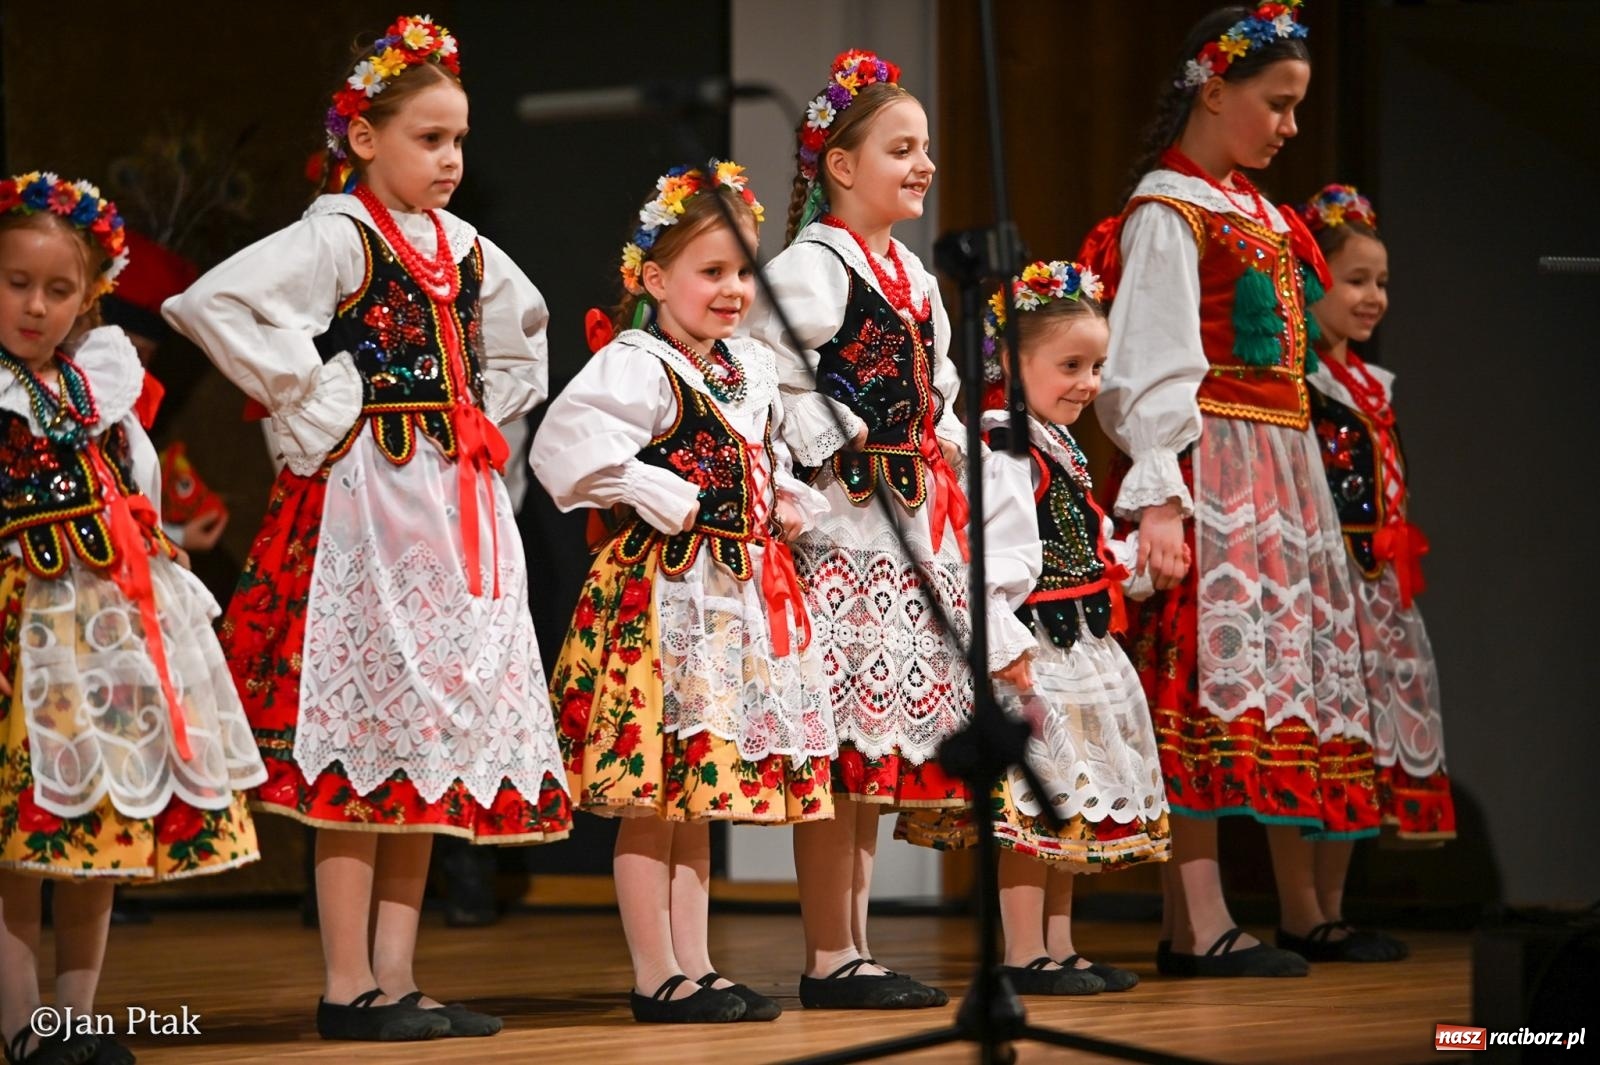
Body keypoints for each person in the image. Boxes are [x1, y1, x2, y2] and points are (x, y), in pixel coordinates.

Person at [164, 15, 569, 1041]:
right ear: (365, 139)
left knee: (423, 740)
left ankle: (397, 975)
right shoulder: (340, 234)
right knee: (364, 744)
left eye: (459, 140)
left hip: (450, 513)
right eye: (429, 138)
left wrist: (480, 410)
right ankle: (348, 982)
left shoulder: (466, 248)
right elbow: (217, 304)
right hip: (367, 514)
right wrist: (321, 395)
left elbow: (525, 335)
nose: (449, 159)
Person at [1078, 0, 1378, 977]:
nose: (1290, 124)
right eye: (1276, 103)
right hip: (1214, 467)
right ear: (1214, 90)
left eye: (1298, 107)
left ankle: (1236, 916)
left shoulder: (1257, 210)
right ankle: (1196, 918)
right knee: (1196, 686)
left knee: (1254, 684)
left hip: (1277, 471)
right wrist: (1159, 497)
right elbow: (1146, 367)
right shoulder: (1172, 209)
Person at [535, 161, 834, 1023]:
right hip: (660, 597)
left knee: (698, 791)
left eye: (743, 271)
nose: (734, 289)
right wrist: (647, 487)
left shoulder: (745, 365)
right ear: (655, 279)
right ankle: (654, 970)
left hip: (731, 592)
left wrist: (779, 493)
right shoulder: (637, 363)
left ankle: (697, 964)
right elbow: (561, 450)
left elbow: (756, 451)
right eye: (712, 272)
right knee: (651, 796)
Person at [0, 171, 265, 1065]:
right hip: (19, 629)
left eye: (58, 289)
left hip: (104, 627)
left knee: (101, 819)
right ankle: (22, 1022)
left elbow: (133, 481)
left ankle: (76, 1015)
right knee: (18, 833)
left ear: (87, 298)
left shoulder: (100, 384)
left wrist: (155, 543)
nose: (36, 306)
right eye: (16, 284)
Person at [744, 48, 966, 1009]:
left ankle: (854, 946)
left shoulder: (911, 275)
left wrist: (948, 444)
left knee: (869, 753)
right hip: (840, 534)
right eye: (900, 148)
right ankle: (831, 952)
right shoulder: (814, 266)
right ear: (839, 164)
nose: (922, 165)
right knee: (838, 752)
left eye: (926, 149)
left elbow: (938, 391)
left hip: (904, 532)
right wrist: (835, 435)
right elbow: (763, 374)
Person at [899, 262, 1173, 995]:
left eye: (1098, 367)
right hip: (1032, 650)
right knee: (1034, 805)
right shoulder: (1003, 445)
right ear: (1012, 365)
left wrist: (1128, 561)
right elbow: (984, 560)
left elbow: (1074, 539)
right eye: (1071, 365)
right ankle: (1025, 951)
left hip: (1076, 642)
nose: (1089, 382)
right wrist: (1002, 641)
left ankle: (1060, 943)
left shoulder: (1053, 442)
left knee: (1070, 800)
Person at [1293, 183, 1453, 960]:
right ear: (1311, 279)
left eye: (1381, 282)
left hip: (1373, 583)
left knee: (1361, 745)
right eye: (1355, 279)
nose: (1372, 296)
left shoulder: (1367, 385)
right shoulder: (1298, 383)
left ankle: (1333, 904)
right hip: (1319, 577)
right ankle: (1302, 907)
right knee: (1317, 741)